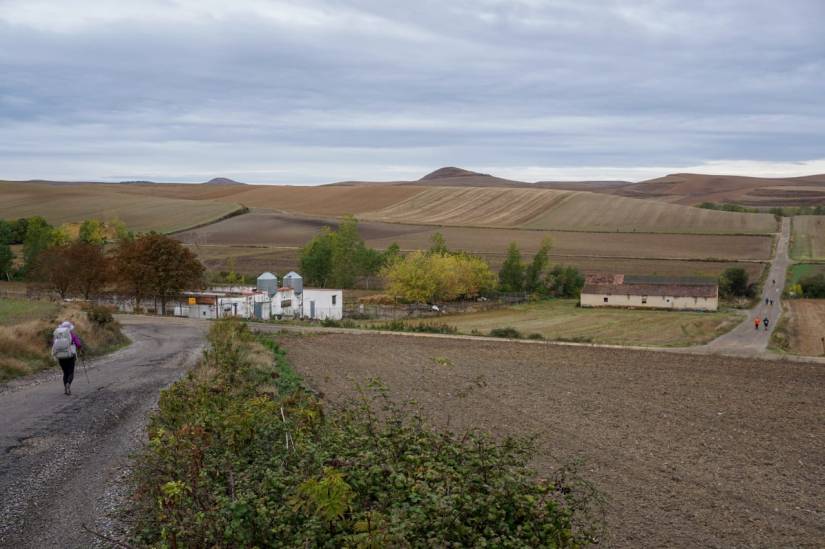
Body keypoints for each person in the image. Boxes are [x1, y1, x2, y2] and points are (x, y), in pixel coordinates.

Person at [51, 321, 83, 395]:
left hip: (60, 356)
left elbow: (54, 344)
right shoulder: (72, 334)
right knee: (71, 372)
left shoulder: (57, 335)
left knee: (65, 372)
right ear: (69, 328)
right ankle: (68, 384)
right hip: (70, 356)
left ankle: (65, 388)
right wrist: (80, 349)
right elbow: (78, 344)